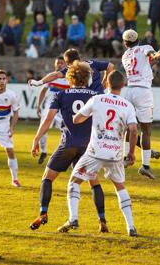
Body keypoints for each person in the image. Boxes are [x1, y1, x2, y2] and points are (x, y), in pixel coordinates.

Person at [59, 70, 139, 236]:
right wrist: (131, 152)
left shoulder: (97, 99)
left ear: (107, 84)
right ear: (123, 85)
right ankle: (131, 227)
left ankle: (73, 218)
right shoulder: (128, 105)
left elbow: (77, 119)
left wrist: (88, 117)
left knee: (74, 181)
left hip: (95, 152)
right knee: (120, 187)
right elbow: (133, 129)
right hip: (115, 154)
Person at [30, 61, 107, 232]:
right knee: (94, 182)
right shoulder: (95, 95)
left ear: (69, 77)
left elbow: (48, 119)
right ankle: (102, 221)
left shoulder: (61, 95)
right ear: (87, 77)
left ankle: (43, 213)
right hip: (88, 147)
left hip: (68, 145)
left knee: (47, 177)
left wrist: (36, 139)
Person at [121, 30, 160, 179]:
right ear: (138, 40)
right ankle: (145, 166)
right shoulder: (144, 48)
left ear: (125, 43)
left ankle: (125, 159)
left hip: (129, 91)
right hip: (143, 92)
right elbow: (153, 57)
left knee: (130, 127)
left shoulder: (125, 55)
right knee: (146, 131)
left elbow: (147, 63)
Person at [29, 48, 114, 94]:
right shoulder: (92, 63)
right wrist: (105, 81)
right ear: (79, 57)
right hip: (100, 96)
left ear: (67, 63)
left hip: (86, 99)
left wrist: (39, 82)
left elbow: (55, 75)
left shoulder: (72, 68)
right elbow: (110, 66)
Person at [34, 57, 70, 165]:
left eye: (61, 63)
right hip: (49, 108)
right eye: (57, 63)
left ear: (65, 64)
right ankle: (44, 151)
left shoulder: (69, 78)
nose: (59, 65)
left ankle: (65, 153)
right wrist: (38, 105)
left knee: (66, 132)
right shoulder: (51, 77)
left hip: (62, 110)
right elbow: (43, 91)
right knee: (43, 130)